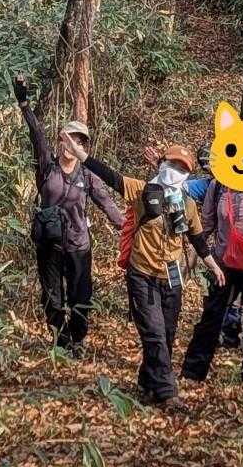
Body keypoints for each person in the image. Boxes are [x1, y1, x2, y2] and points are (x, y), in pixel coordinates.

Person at [84, 143, 225, 413]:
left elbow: (197, 239)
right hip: (142, 275)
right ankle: (168, 393)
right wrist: (82, 156)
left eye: (183, 169)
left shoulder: (187, 204)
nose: (176, 172)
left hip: (172, 277)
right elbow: (112, 177)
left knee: (167, 334)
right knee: (155, 333)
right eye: (172, 165)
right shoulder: (142, 191)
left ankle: (148, 383)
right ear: (163, 164)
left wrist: (213, 266)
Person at [12, 76, 123, 355]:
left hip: (78, 245)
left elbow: (107, 203)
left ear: (85, 148)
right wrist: (24, 103)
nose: (74, 145)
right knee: (52, 297)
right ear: (62, 141)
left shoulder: (87, 174)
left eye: (80, 142)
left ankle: (78, 339)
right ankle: (61, 341)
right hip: (49, 244)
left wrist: (127, 228)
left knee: (81, 296)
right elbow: (37, 135)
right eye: (70, 139)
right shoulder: (47, 168)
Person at [180, 176, 243, 385]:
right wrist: (192, 258)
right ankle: (192, 372)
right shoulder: (217, 186)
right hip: (223, 265)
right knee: (211, 317)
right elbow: (206, 225)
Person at [186, 145, 241, 349]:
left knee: (238, 297)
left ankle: (231, 336)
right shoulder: (212, 186)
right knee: (217, 294)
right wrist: (194, 253)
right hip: (222, 254)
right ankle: (214, 336)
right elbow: (206, 224)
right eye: (206, 165)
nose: (210, 167)